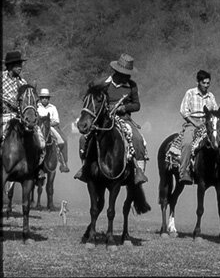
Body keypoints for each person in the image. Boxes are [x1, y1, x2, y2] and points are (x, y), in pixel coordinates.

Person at [74, 53, 148, 185]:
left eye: (127, 74)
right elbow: (92, 97)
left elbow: (137, 105)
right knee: (83, 139)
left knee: (137, 139)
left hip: (123, 119)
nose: (125, 76)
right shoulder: (104, 83)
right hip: (103, 119)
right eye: (122, 73)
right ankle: (85, 168)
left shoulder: (132, 86)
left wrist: (124, 108)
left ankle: (139, 171)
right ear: (116, 71)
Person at [178, 69, 218, 185]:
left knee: (218, 142)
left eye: (208, 83)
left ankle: (217, 170)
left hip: (207, 125)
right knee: (187, 143)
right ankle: (184, 171)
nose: (206, 85)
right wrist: (195, 123)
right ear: (198, 82)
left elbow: (215, 111)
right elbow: (183, 111)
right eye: (203, 83)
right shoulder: (190, 93)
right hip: (192, 124)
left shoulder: (211, 96)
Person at [2, 51, 45, 148]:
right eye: (17, 64)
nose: (20, 66)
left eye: (20, 64)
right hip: (3, 116)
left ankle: (39, 160)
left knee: (40, 142)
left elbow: (28, 102)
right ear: (10, 65)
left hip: (19, 117)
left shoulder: (23, 83)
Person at [37, 88, 70, 173]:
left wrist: (48, 125)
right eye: (43, 98)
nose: (44, 99)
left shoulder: (52, 107)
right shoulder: (36, 107)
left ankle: (63, 163)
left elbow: (56, 121)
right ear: (40, 98)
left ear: (48, 98)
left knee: (63, 141)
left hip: (51, 127)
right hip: (38, 128)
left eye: (46, 98)